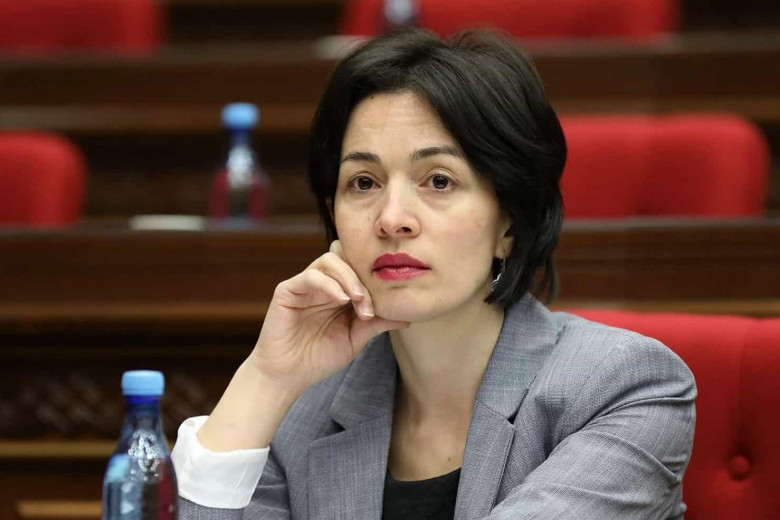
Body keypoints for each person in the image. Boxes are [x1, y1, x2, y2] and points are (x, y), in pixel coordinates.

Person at [171, 29, 696, 519]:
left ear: (509, 223)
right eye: (363, 182)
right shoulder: (301, 416)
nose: (391, 218)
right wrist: (266, 379)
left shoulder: (623, 388)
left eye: (438, 180)